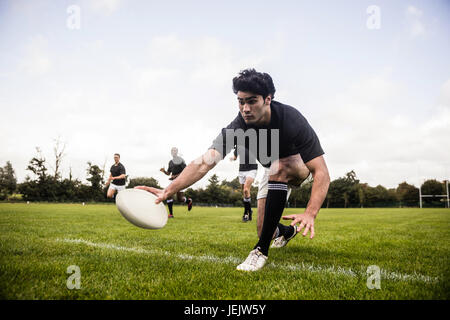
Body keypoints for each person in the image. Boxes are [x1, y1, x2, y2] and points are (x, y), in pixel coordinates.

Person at [137, 69, 330, 271]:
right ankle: (286, 232)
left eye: (252, 101)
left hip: (300, 168)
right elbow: (205, 162)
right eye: (240, 101)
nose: (245, 108)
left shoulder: (291, 119)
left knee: (279, 166)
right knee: (264, 229)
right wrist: (169, 190)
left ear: (268, 99)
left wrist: (310, 213)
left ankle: (260, 251)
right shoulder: (238, 127)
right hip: (272, 171)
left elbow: (322, 172)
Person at [160, 147, 193, 217]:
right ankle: (171, 214)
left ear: (177, 152)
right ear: (171, 152)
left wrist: (176, 176)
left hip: (181, 180)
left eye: (175, 151)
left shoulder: (181, 160)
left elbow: (186, 170)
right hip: (173, 180)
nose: (173, 152)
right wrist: (164, 171)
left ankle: (188, 201)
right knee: (168, 195)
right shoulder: (170, 162)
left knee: (180, 199)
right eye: (172, 151)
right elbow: (169, 173)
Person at [230, 145, 258, 222]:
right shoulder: (238, 146)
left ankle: (246, 213)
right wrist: (232, 158)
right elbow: (235, 157)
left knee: (246, 189)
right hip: (241, 170)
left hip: (252, 169)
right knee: (245, 193)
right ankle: (249, 210)